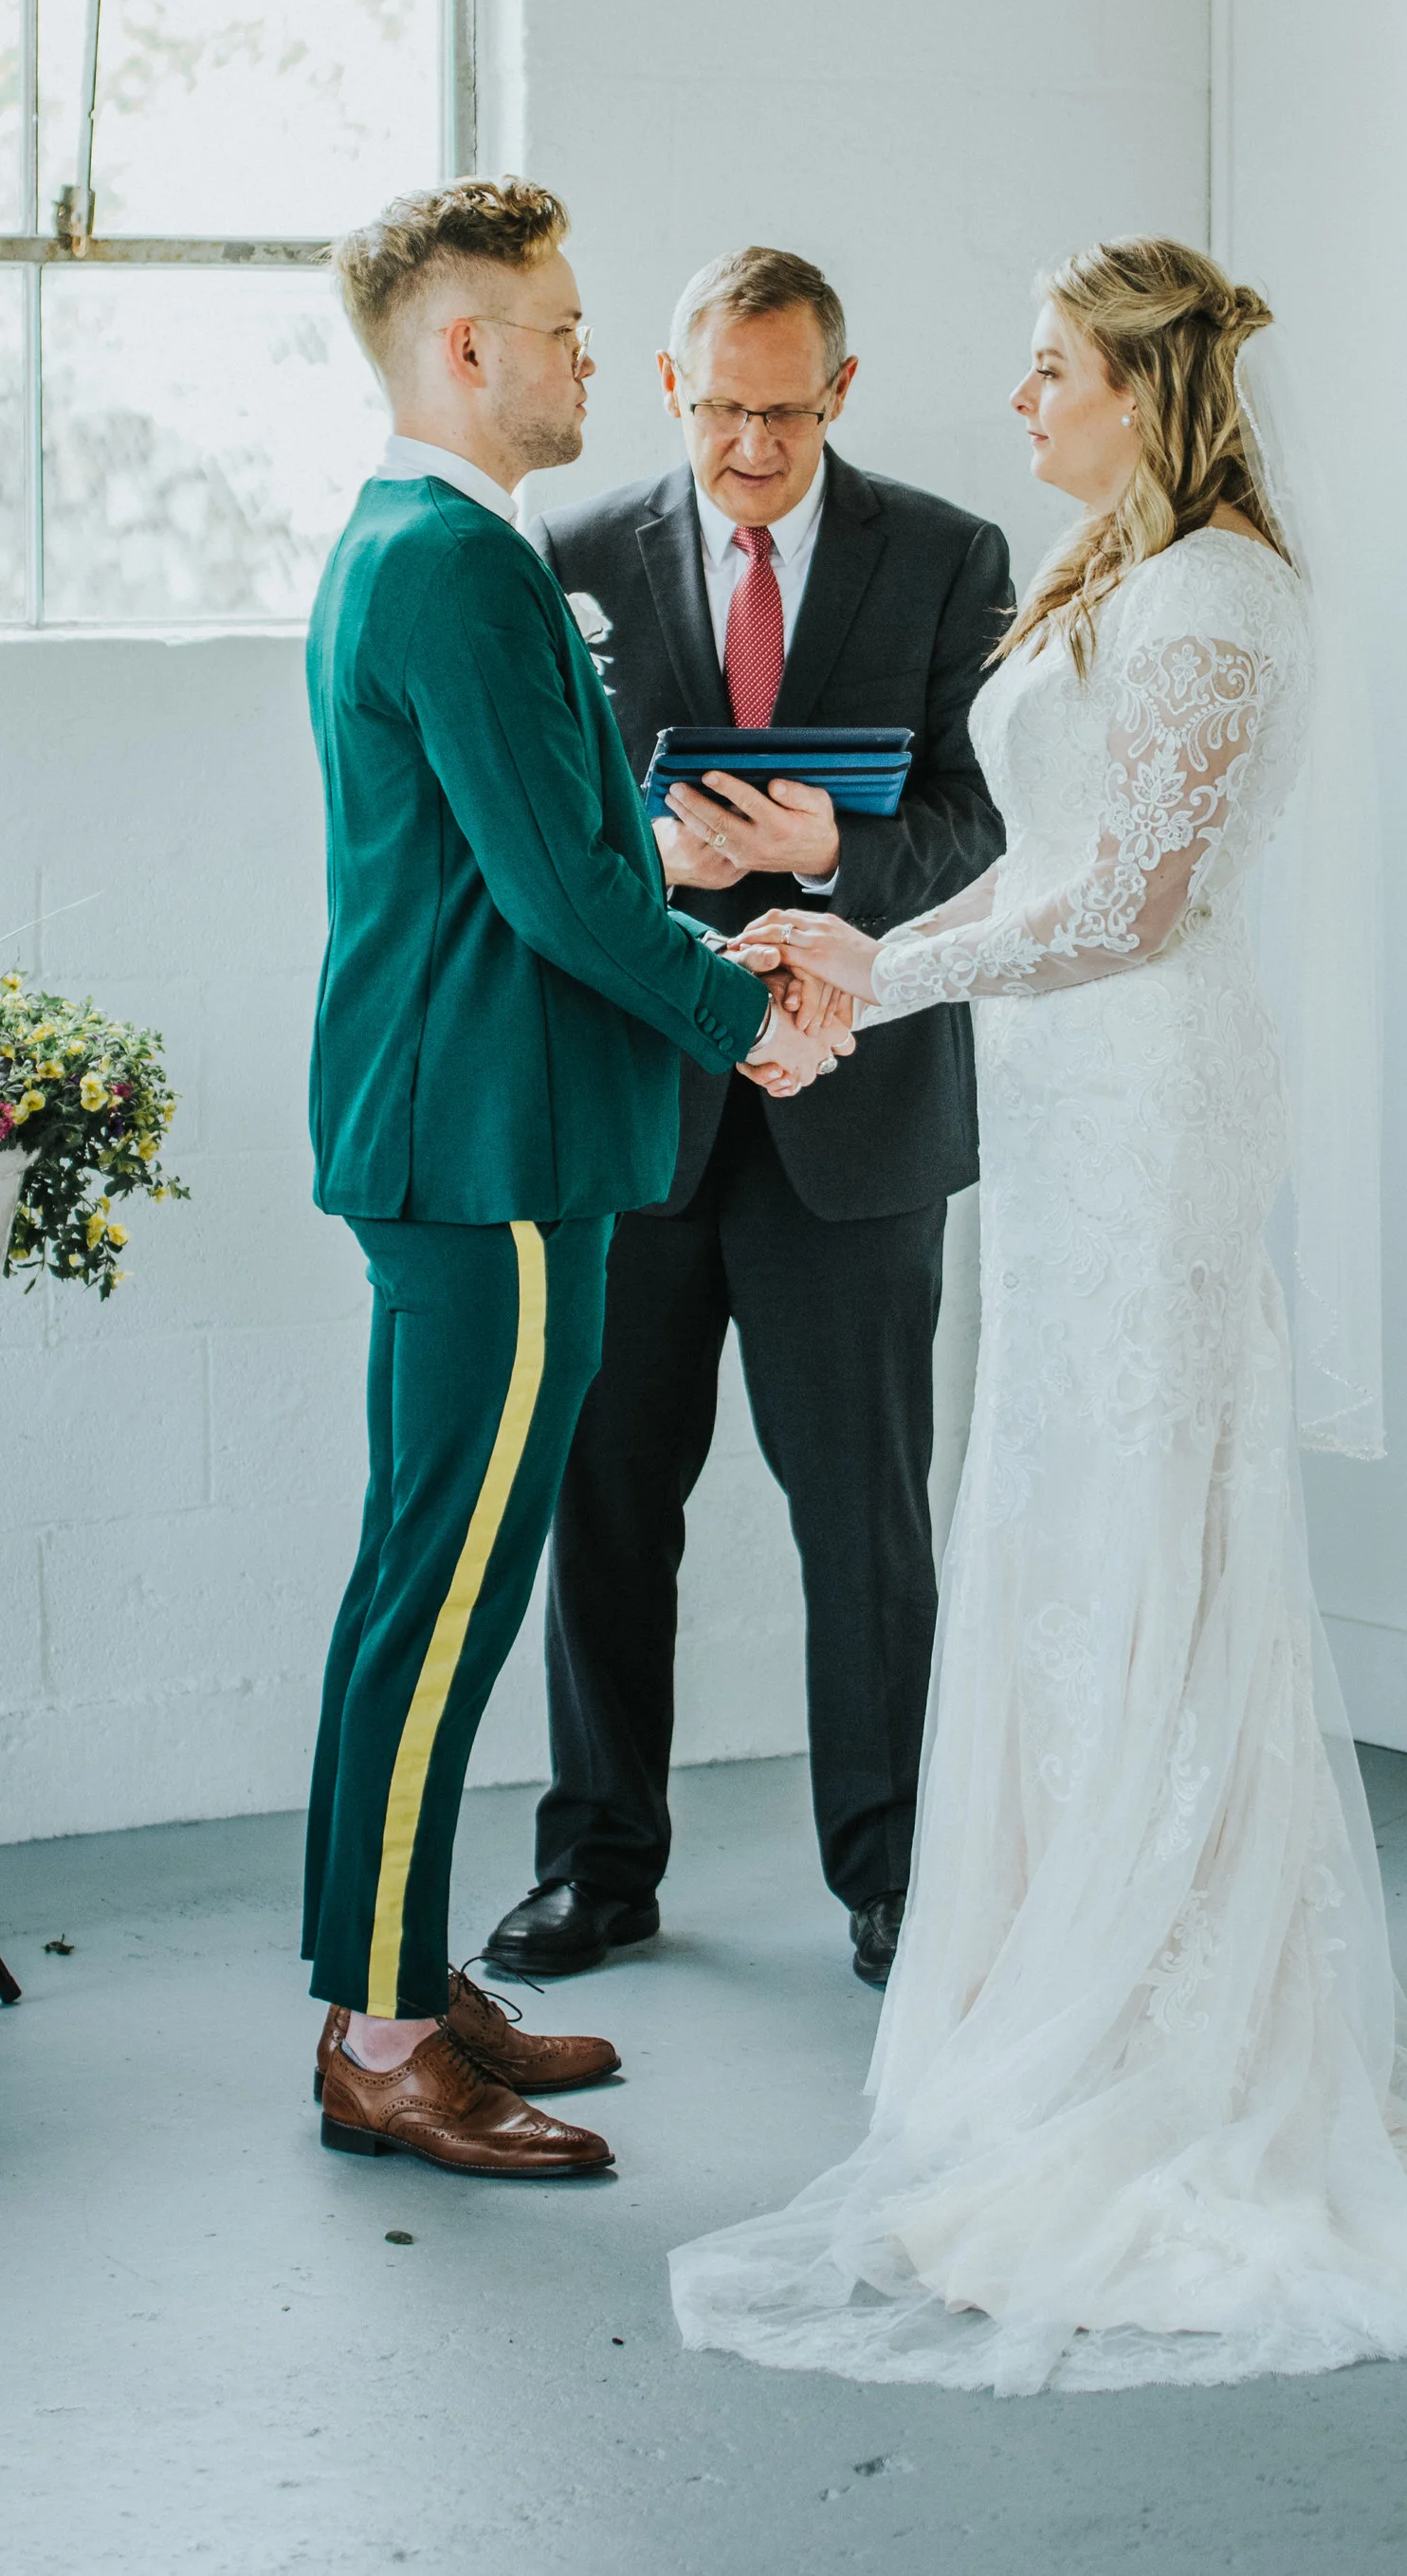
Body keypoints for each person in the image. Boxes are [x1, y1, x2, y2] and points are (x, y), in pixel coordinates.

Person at [669, 238, 1407, 2387]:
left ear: (1143, 390)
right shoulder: (1112, 572)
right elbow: (1044, 857)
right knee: (1055, 1519)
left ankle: (1186, 2029)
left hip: (1155, 1101)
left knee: (1146, 1524)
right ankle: (1061, 1988)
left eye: (1048, 368)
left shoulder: (1219, 598)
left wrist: (884, 974)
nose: (1017, 400)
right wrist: (870, 948)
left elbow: (1141, 902)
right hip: (1058, 1101)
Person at [300, 177, 847, 2183]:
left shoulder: (423, 542)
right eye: (559, 326)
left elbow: (544, 851)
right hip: (494, 1148)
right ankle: (380, 2041)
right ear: (467, 347)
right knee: (445, 1595)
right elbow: (548, 891)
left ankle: (394, 1980)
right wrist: (739, 1015)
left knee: (417, 1578)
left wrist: (680, 903)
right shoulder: (452, 562)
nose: (590, 358)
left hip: (468, 1132)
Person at [484, 247, 1010, 1992]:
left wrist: (827, 852)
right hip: (636, 1110)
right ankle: (598, 1867)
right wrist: (653, 854)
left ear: (840, 391)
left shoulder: (945, 556)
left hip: (856, 1122)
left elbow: (990, 813)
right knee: (606, 1506)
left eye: (786, 412)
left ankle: (894, 1878)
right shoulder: (563, 554)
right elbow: (535, 825)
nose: (754, 446)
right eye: (721, 409)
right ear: (669, 387)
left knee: (864, 1519)